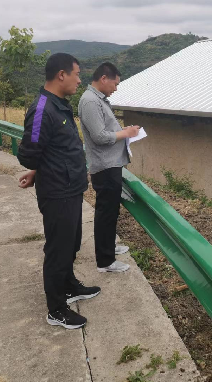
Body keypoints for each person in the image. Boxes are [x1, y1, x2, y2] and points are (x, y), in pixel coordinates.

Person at [17, 53, 101, 329]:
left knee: (71, 244)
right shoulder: (42, 109)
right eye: (76, 74)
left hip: (70, 188)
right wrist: (37, 169)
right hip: (57, 192)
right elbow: (29, 153)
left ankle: (68, 285)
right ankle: (56, 309)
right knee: (58, 249)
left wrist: (38, 170)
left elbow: (53, 148)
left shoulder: (59, 105)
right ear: (61, 75)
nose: (79, 80)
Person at [78, 62, 140, 273]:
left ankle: (109, 246)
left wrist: (125, 131)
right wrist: (126, 133)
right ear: (104, 79)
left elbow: (107, 130)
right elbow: (100, 136)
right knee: (106, 213)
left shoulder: (98, 99)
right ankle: (105, 261)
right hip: (104, 166)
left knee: (111, 211)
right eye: (115, 84)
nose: (116, 88)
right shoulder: (90, 101)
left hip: (111, 164)